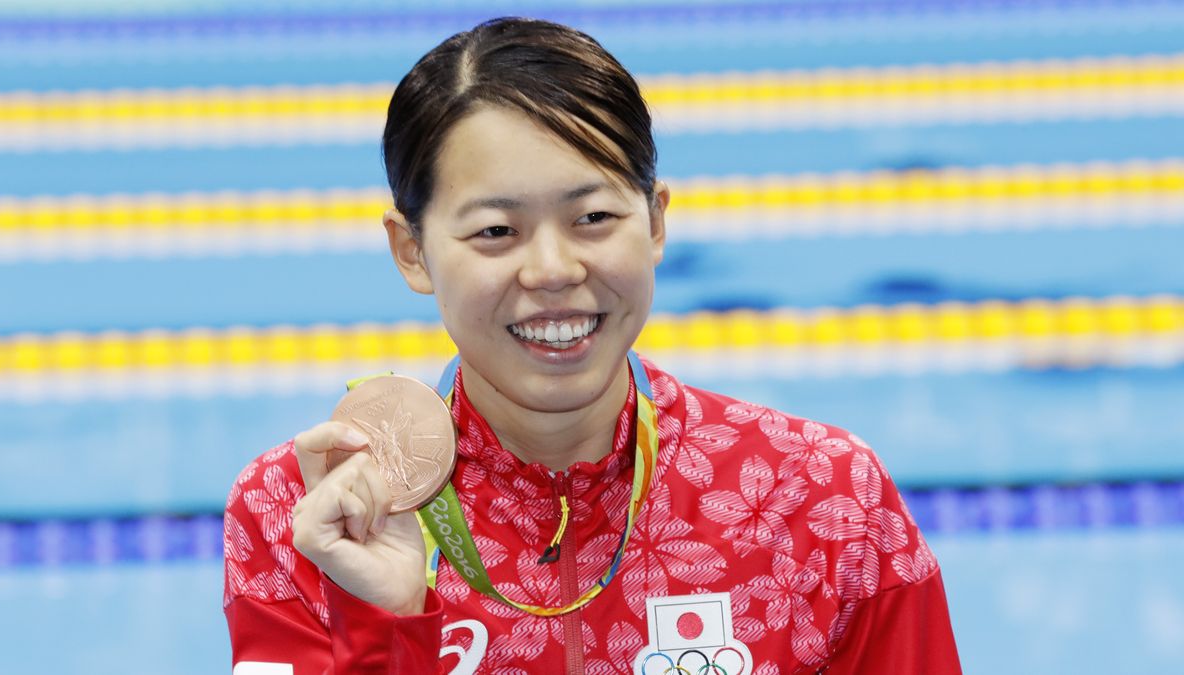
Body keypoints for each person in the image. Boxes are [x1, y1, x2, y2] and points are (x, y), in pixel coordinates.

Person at [223, 16, 961, 674]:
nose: (553, 270)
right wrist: (384, 626)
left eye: (594, 216)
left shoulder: (821, 500)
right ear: (411, 251)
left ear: (656, 221)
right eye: (495, 232)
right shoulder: (304, 515)